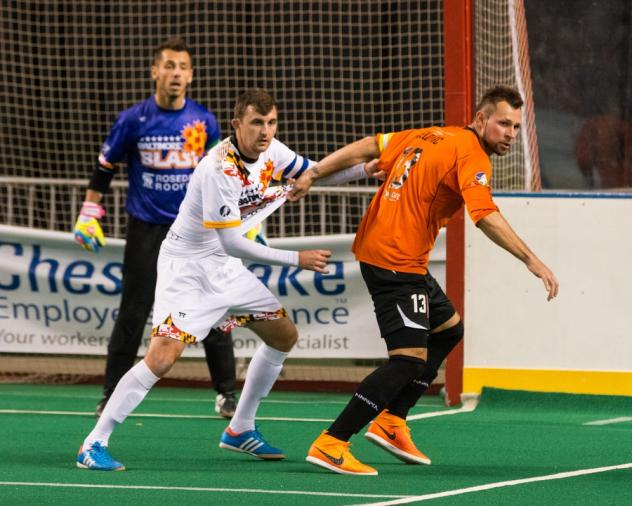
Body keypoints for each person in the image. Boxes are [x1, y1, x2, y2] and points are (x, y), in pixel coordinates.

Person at [75, 87, 376, 471]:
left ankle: (240, 429)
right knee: (163, 357)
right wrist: (295, 258)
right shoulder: (219, 168)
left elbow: (312, 174)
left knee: (283, 335)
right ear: (237, 125)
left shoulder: (273, 151)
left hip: (223, 266)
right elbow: (234, 242)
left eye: (271, 123)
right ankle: (93, 443)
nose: (265, 131)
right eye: (256, 123)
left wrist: (363, 171)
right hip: (186, 266)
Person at [289, 85, 560, 476]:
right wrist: (531, 260)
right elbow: (483, 214)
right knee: (406, 362)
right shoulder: (471, 153)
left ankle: (392, 421)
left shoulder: (430, 134)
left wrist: (315, 171)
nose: (510, 134)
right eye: (503, 123)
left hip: (395, 256)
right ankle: (333, 442)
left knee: (448, 330)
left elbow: (369, 145)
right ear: (480, 119)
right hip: (395, 260)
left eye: (516, 127)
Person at [72, 37, 238, 419]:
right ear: (155, 72)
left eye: (182, 67)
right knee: (133, 312)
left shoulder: (204, 120)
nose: (175, 73)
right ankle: (110, 393)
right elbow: (105, 167)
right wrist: (87, 211)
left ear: (191, 75)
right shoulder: (133, 119)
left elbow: (221, 173)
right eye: (168, 65)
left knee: (214, 309)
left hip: (196, 232)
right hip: (146, 229)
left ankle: (226, 394)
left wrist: (239, 222)